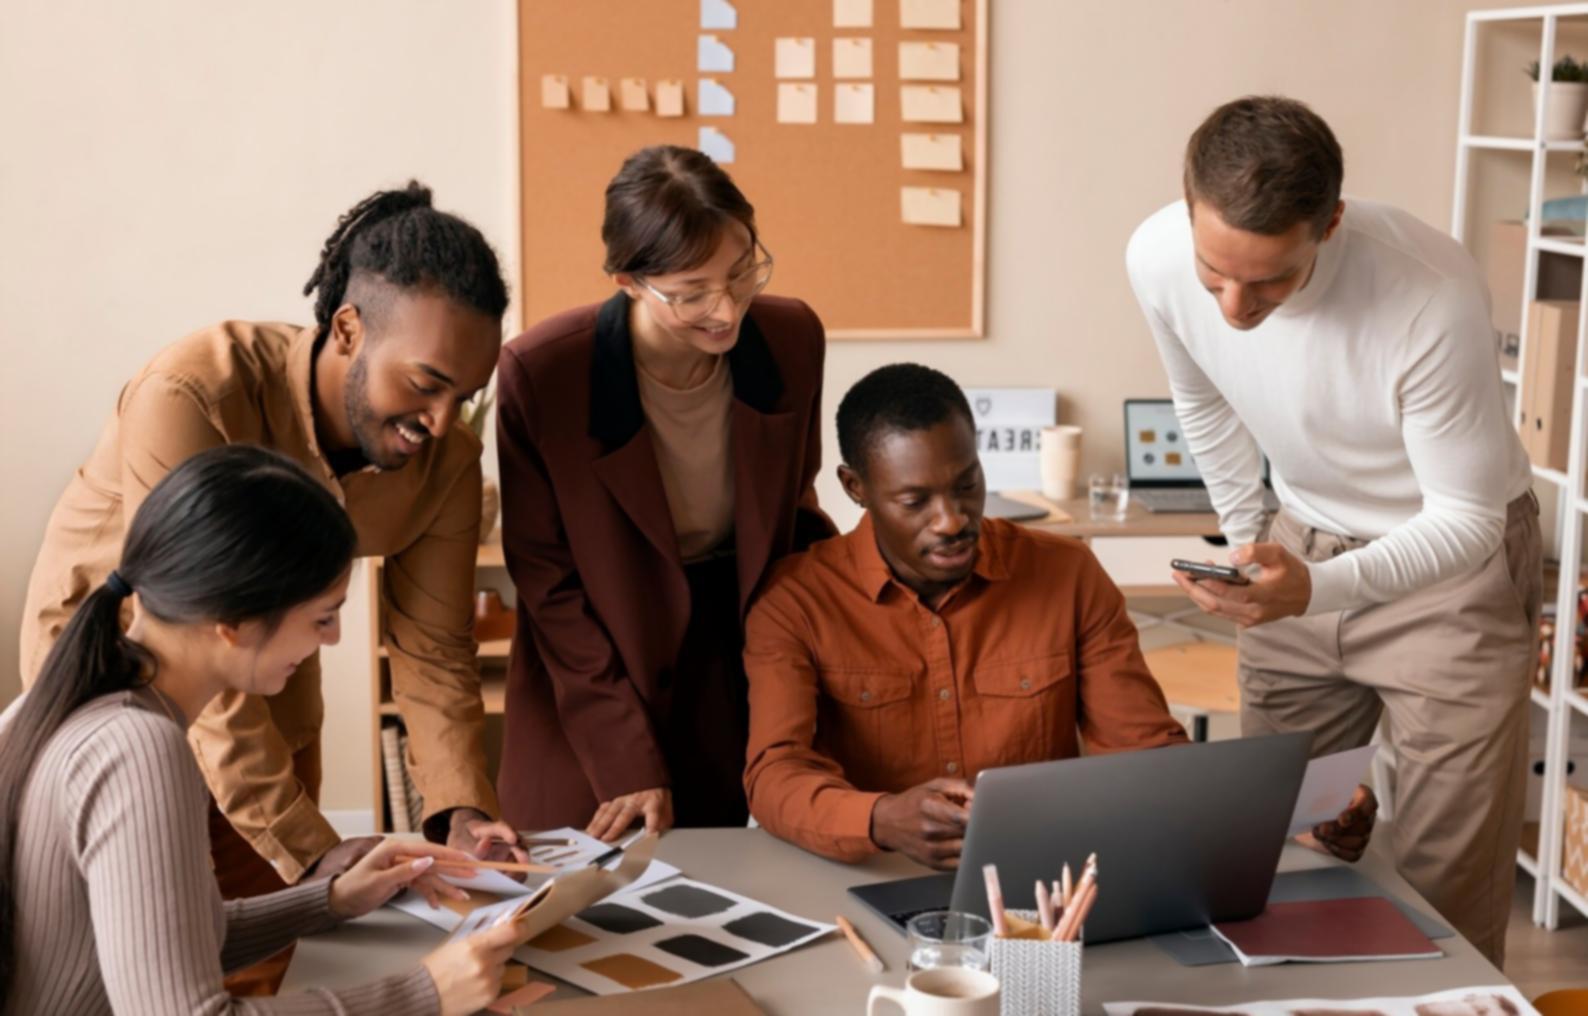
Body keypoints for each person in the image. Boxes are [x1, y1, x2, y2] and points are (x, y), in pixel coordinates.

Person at [17, 180, 523, 993]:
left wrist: (458, 812)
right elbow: (188, 622)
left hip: (259, 687)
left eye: (463, 397)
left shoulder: (445, 461)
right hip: (122, 688)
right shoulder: (192, 394)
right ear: (349, 329)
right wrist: (322, 860)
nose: (440, 420)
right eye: (425, 383)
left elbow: (432, 648)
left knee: (261, 964)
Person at [1125, 95, 1539, 964]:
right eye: (1215, 273)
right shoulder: (1158, 257)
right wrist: (1249, 546)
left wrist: (1319, 588)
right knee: (1279, 849)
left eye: (1270, 278)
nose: (1234, 305)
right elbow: (1203, 399)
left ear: (1331, 224)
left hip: (1450, 572)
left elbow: (1464, 518)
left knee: (1443, 888)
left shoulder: (1430, 291)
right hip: (1299, 538)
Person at [0, 445, 527, 1016]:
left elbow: (168, 944)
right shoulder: (137, 749)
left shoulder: (60, 705)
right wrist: (424, 992)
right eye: (323, 617)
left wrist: (329, 900)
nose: (331, 640)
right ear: (233, 623)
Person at [496, 145, 832, 840]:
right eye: (691, 291)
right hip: (594, 657)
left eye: (742, 272)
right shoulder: (544, 372)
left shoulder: (792, 338)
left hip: (731, 642)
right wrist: (625, 757)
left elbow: (797, 512)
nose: (726, 308)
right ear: (628, 280)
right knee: (585, 904)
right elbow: (547, 583)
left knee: (732, 899)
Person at [743, 363, 1195, 868]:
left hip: (1041, 875)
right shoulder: (796, 601)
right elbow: (774, 774)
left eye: (966, 485)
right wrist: (879, 819)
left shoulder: (1067, 573)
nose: (952, 520)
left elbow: (1141, 750)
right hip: (871, 874)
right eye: (915, 501)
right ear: (855, 487)